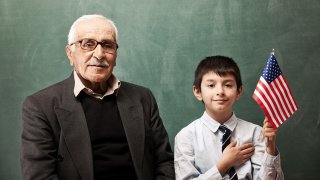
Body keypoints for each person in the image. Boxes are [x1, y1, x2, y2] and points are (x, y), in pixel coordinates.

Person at [20, 14, 174, 180]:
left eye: (108, 45)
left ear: (115, 54)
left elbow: (165, 163)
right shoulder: (40, 106)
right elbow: (40, 176)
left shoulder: (142, 98)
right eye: (88, 44)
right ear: (70, 54)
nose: (99, 54)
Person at [174, 55, 284, 179]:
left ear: (239, 91)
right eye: (211, 85)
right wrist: (224, 164)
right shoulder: (186, 137)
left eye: (228, 85)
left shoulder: (255, 133)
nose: (220, 91)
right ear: (198, 92)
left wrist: (270, 149)